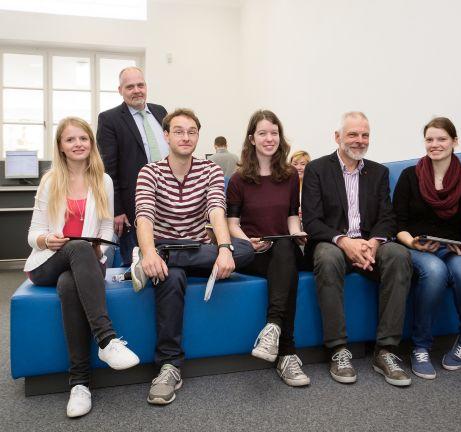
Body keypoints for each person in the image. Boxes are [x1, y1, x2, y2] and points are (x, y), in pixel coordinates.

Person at [130, 108, 254, 405]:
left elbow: (216, 209)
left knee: (245, 249)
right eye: (178, 131)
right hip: (162, 249)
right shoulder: (150, 172)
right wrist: (150, 252)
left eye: (192, 132)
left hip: (198, 250)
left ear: (198, 136)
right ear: (166, 136)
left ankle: (163, 257)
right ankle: (169, 367)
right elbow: (144, 215)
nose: (185, 137)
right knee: (170, 277)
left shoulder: (210, 170)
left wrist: (224, 249)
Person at [24, 117, 140, 418]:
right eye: (70, 139)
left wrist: (100, 247)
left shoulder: (103, 180)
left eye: (83, 138)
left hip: (86, 264)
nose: (78, 144)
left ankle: (79, 384)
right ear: (61, 147)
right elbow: (33, 234)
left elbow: (106, 229)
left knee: (69, 283)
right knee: (77, 247)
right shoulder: (50, 181)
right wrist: (47, 240)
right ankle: (107, 339)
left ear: (91, 143)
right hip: (47, 262)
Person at [302, 111, 413, 387]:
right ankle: (338, 349)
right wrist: (344, 241)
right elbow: (312, 221)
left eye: (365, 135)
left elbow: (387, 218)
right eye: (352, 134)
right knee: (327, 257)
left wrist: (373, 243)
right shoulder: (317, 169)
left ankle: (385, 350)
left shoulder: (379, 172)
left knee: (399, 255)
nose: (359, 140)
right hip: (332, 243)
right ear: (337, 137)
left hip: (368, 243)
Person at [393, 117, 461, 380]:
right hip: (416, 247)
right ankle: (420, 347)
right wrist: (412, 242)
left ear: (454, 141)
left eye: (442, 139)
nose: (435, 144)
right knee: (435, 271)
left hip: (453, 249)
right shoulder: (410, 176)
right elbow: (398, 224)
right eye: (429, 139)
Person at [227, 110, 310, 387]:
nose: (269, 138)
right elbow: (232, 224)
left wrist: (297, 233)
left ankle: (273, 329)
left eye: (274, 133)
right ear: (252, 139)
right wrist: (247, 242)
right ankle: (286, 352)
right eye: (263, 133)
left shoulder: (289, 176)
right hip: (253, 253)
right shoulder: (238, 179)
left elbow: (292, 217)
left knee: (285, 249)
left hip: (282, 250)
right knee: (287, 267)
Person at [97, 66, 168, 266]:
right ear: (120, 90)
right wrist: (116, 209)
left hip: (168, 201)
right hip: (132, 207)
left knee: (168, 259)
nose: (137, 90)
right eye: (130, 87)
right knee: (136, 264)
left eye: (140, 85)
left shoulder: (160, 111)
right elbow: (108, 169)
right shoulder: (109, 119)